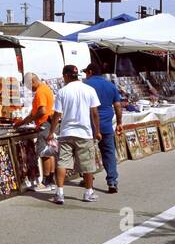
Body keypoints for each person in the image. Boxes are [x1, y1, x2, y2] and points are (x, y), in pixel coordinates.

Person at [49, 64, 102, 205]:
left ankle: (59, 193)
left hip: (66, 132)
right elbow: (95, 114)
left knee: (62, 163)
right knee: (87, 164)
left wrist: (51, 132)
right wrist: (97, 131)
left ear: (66, 76)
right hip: (84, 133)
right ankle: (88, 192)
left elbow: (56, 115)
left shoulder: (62, 92)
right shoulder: (89, 90)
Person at [83, 63, 124, 194]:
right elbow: (118, 106)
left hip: (89, 125)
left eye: (86, 72)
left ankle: (88, 178)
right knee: (109, 153)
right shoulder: (110, 85)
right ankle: (112, 181)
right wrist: (119, 122)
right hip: (106, 125)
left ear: (90, 72)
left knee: (86, 153)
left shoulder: (86, 85)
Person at [16, 72, 58, 192]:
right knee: (50, 152)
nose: (30, 89)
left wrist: (26, 121)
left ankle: (45, 182)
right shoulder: (45, 88)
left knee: (44, 153)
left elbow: (42, 111)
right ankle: (50, 180)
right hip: (49, 123)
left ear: (33, 81)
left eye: (29, 86)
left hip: (45, 124)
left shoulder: (40, 91)